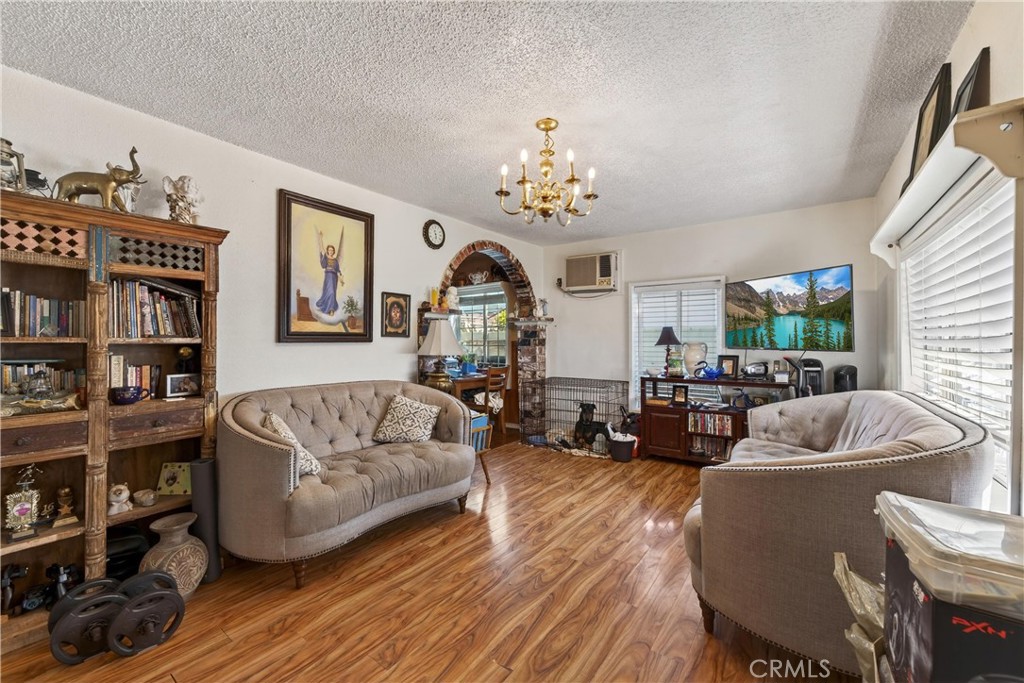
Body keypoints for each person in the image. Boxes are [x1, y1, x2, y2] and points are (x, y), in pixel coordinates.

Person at [315, 228, 344, 315]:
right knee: (327, 292)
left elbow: (338, 270)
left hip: (334, 278)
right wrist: (320, 238)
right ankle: (327, 306)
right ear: (328, 251)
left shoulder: (335, 261)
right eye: (329, 250)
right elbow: (321, 248)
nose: (330, 251)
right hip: (328, 277)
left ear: (333, 251)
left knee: (332, 292)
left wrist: (341, 280)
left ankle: (331, 309)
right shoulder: (326, 257)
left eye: (332, 250)